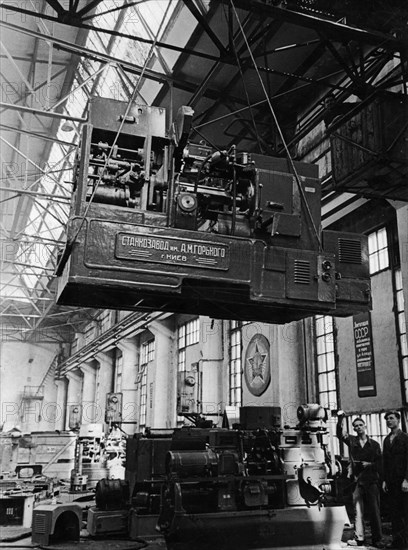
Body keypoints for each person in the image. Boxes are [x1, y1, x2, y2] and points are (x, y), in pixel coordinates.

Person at [337, 411, 384, 548]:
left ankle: (377, 538)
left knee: (375, 511)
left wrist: (370, 464)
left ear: (365, 426)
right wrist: (341, 418)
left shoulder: (374, 444)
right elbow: (340, 434)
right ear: (354, 428)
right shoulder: (352, 441)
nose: (358, 427)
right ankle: (360, 538)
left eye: (360, 425)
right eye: (355, 426)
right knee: (358, 511)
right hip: (358, 481)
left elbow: (380, 463)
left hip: (372, 481)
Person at [382, 410, 408, 549]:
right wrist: (385, 480)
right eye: (387, 419)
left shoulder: (405, 438)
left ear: (398, 420)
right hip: (391, 482)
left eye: (391, 418)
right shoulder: (387, 440)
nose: (389, 421)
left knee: (405, 512)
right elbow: (385, 462)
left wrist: (406, 479)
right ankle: (397, 542)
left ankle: (405, 543)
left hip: (403, 481)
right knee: (394, 512)